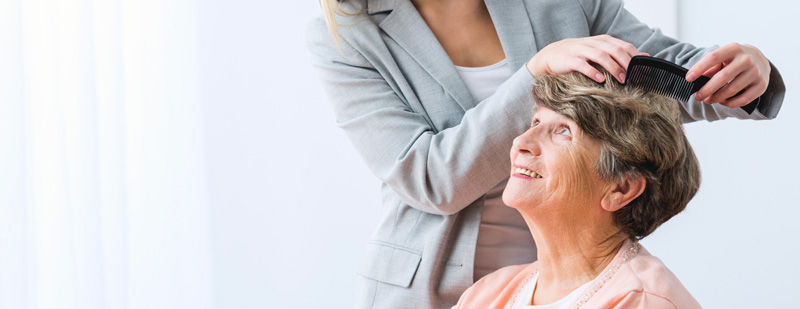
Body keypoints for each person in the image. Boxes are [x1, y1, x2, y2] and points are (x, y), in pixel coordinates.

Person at [306, 0, 785, 307]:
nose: (522, 143)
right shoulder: (346, 34)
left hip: (570, 276)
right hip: (427, 287)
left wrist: (749, 76)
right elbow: (429, 178)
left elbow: (666, 77)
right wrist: (535, 73)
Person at [455, 68, 701, 308]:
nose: (521, 142)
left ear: (621, 188)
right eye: (536, 121)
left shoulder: (644, 301)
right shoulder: (486, 295)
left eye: (564, 131)